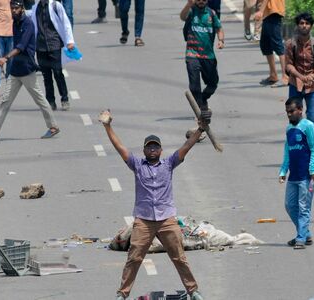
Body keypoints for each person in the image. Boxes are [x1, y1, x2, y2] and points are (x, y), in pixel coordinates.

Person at [99, 109, 205, 300]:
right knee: (134, 258)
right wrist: (107, 126)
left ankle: (193, 291)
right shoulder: (137, 165)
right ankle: (122, 294)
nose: (153, 150)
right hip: (144, 221)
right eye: (149, 147)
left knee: (179, 257)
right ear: (144, 151)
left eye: (156, 147)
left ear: (161, 150)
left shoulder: (169, 164)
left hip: (167, 219)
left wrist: (200, 130)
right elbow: (119, 147)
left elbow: (186, 146)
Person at [0, 0, 60, 140]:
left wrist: (5, 58)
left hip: (27, 69)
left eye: (16, 8)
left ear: (21, 8)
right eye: (12, 8)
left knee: (39, 99)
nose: (14, 11)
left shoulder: (28, 24)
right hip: (15, 70)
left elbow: (21, 46)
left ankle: (53, 127)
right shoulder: (14, 23)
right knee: (6, 101)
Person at [279, 97, 314, 250]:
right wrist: (283, 170)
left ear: (300, 110)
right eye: (287, 112)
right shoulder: (289, 129)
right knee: (290, 205)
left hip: (306, 176)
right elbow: (287, 152)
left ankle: (301, 238)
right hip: (293, 175)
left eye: (292, 111)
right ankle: (305, 233)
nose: (289, 115)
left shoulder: (308, 126)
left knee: (304, 207)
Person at [180, 0, 224, 124]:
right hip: (192, 54)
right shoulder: (191, 11)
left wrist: (221, 40)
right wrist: (188, 4)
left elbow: (219, 28)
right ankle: (200, 110)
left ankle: (203, 99)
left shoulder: (211, 14)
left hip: (208, 55)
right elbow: (182, 17)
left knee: (213, 84)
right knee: (194, 86)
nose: (200, 1)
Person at [30, 0, 75, 111]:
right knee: (46, 76)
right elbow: (32, 26)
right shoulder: (35, 8)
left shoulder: (55, 5)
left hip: (54, 44)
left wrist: (70, 40)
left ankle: (64, 99)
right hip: (40, 46)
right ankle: (50, 101)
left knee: (58, 72)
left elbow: (65, 22)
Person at [284, 12, 314, 127]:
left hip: (312, 86)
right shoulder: (290, 44)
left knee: (313, 119)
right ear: (297, 25)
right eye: (301, 23)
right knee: (294, 118)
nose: (304, 25)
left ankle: (312, 144)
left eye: (307, 23)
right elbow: (289, 65)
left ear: (311, 26)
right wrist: (300, 76)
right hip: (295, 84)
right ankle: (295, 143)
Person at [253, 0, 286, 86]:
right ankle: (273, 75)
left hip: (274, 12)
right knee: (265, 45)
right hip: (268, 14)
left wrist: (260, 11)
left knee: (278, 45)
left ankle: (286, 75)